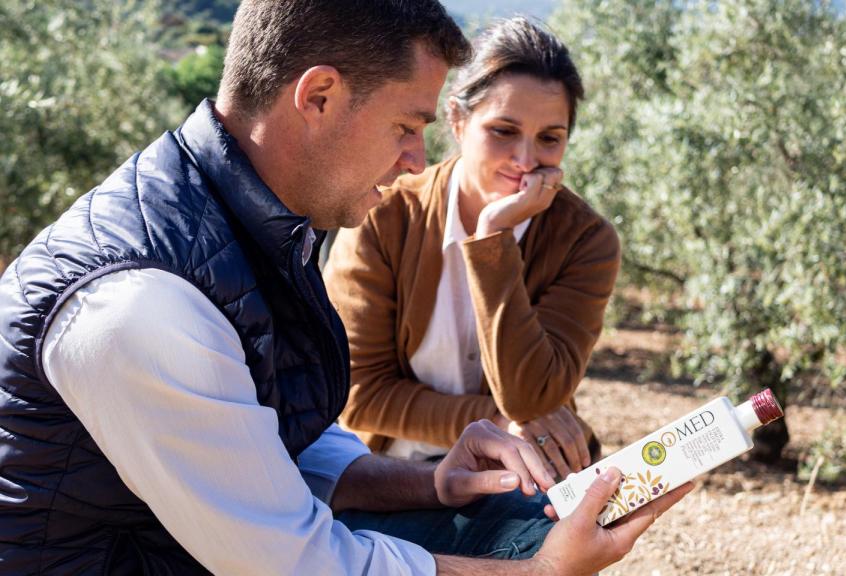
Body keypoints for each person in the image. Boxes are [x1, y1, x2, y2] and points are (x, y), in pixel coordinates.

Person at [0, 1, 692, 575]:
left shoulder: (245, 222)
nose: (416, 159)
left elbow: (268, 438)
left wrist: (429, 480)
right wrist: (537, 574)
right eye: (406, 126)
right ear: (319, 97)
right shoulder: (142, 307)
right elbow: (298, 564)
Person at [323, 17, 619, 482]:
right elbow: (357, 394)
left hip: (522, 483)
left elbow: (531, 397)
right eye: (503, 130)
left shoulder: (585, 241)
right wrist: (498, 424)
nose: (525, 161)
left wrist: (491, 240)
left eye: (549, 138)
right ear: (459, 121)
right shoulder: (384, 214)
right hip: (390, 479)